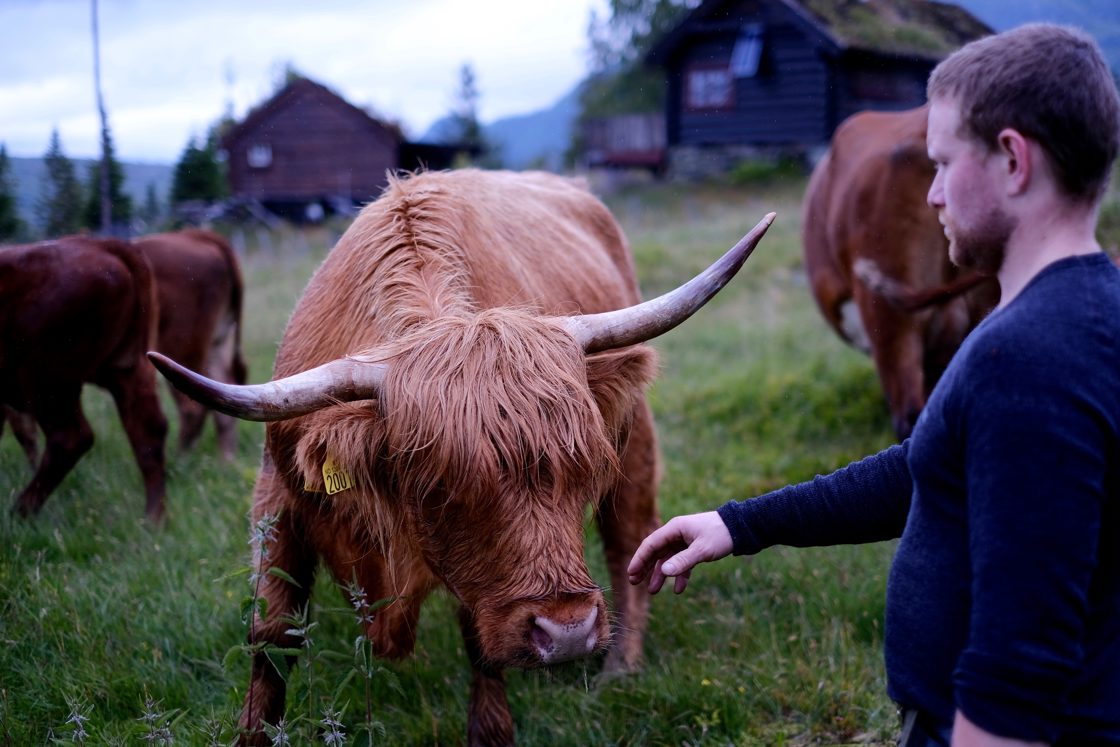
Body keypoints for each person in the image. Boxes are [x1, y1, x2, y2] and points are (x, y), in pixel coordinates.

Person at [627, 23, 1120, 747]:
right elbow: (928, 467)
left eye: (945, 163)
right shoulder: (1080, 314)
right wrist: (743, 524)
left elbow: (1020, 665)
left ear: (1013, 161)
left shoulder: (1029, 358)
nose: (933, 193)